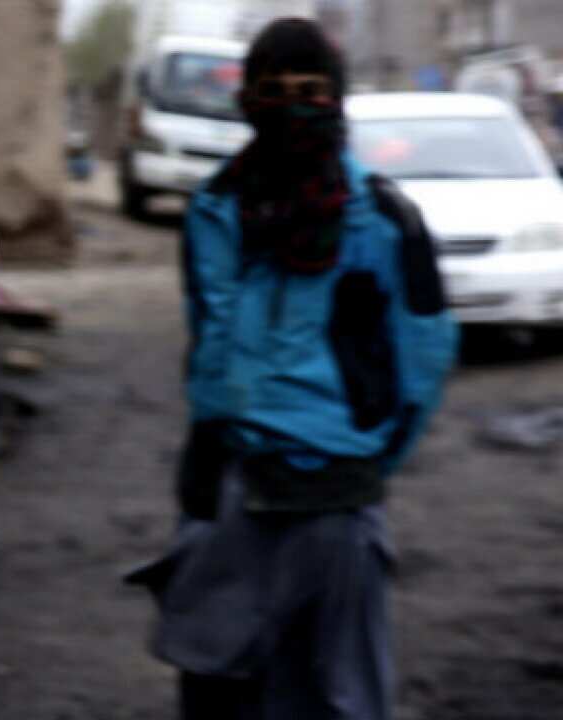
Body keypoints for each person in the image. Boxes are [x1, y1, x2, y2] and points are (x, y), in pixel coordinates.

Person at [128, 18, 457, 720]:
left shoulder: (384, 220)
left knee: (331, 698)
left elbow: (423, 359)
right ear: (247, 100)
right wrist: (209, 445)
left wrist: (361, 454)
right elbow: (210, 339)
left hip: (332, 502)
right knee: (215, 683)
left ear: (337, 99)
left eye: (311, 90)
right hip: (227, 487)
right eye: (273, 90)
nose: (292, 106)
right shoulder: (216, 207)